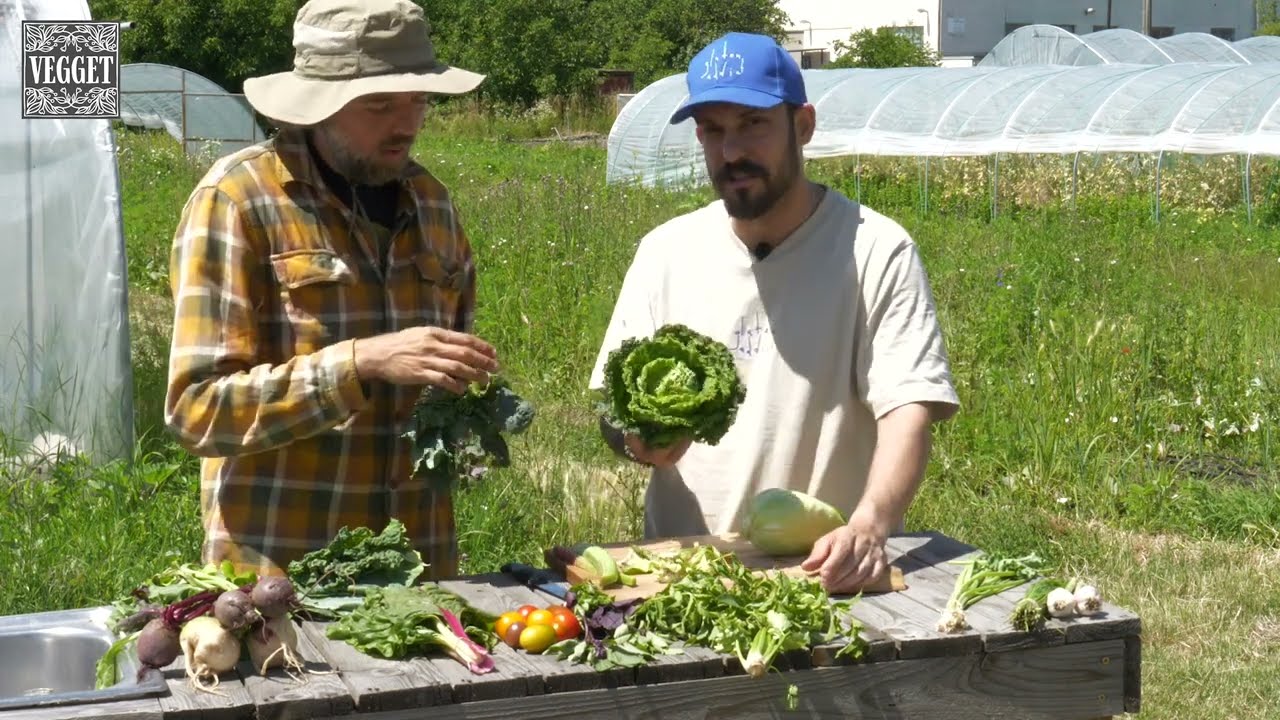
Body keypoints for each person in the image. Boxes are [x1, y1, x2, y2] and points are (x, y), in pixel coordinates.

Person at [589, 32, 960, 595]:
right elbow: (611, 412)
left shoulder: (874, 250)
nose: (731, 151)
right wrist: (635, 440)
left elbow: (909, 407)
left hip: (828, 575)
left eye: (752, 124)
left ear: (803, 126)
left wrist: (870, 524)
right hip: (687, 576)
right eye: (713, 130)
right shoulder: (665, 252)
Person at [164, 0, 499, 578]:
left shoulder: (434, 205)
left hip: (419, 567)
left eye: (419, 100)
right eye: (380, 105)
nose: (408, 123)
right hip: (283, 578)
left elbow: (443, 375)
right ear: (318, 106)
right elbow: (196, 410)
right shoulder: (240, 201)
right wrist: (361, 362)